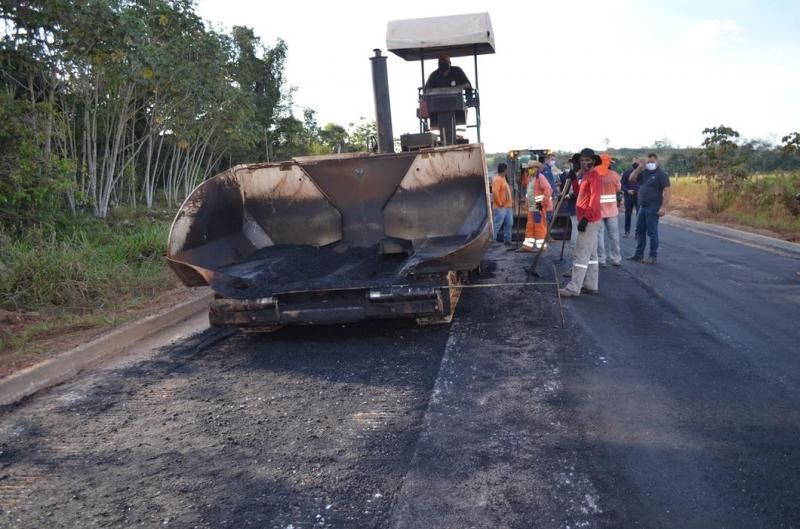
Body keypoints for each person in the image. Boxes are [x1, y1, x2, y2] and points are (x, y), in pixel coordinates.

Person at [560, 148, 603, 297]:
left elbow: (594, 199)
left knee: (581, 254)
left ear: (593, 161)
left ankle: (573, 287)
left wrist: (586, 218)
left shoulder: (594, 177)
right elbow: (580, 194)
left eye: (587, 160)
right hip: (585, 217)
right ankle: (591, 284)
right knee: (591, 255)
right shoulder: (585, 176)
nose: (584, 163)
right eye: (582, 160)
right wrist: (573, 180)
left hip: (589, 219)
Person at [626, 153, 671, 264]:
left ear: (657, 162)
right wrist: (639, 168)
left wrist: (663, 208)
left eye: (653, 162)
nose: (650, 164)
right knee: (640, 230)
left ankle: (652, 256)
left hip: (654, 207)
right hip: (643, 206)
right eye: (649, 162)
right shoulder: (644, 173)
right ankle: (639, 254)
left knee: (652, 232)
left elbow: (668, 191)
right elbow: (631, 179)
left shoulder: (661, 175)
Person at [596, 153, 622, 267]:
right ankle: (616, 259)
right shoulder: (614, 175)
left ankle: (601, 259)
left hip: (598, 210)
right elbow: (618, 189)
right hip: (611, 210)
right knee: (614, 236)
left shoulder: (594, 174)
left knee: (599, 236)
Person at [522, 160, 552, 251]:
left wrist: (542, 203)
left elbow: (548, 190)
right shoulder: (530, 178)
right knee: (530, 225)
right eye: (529, 168)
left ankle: (541, 246)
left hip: (538, 205)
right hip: (532, 206)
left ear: (537, 168)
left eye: (531, 168)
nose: (530, 170)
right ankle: (528, 246)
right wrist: (526, 204)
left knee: (539, 225)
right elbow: (529, 192)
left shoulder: (541, 177)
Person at [560, 153, 581, 278]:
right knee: (575, 242)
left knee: (575, 243)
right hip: (573, 211)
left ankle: (577, 269)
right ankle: (578, 268)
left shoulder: (582, 176)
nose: (571, 165)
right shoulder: (576, 175)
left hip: (579, 213)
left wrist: (572, 181)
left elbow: (578, 193)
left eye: (573, 163)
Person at [491, 163, 513, 245]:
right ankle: (492, 240)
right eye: (506, 169)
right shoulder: (497, 179)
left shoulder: (503, 179)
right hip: (501, 207)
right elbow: (495, 192)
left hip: (508, 206)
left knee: (509, 222)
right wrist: (500, 203)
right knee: (498, 223)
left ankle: (507, 240)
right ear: (504, 170)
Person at [620, 162, 640, 237]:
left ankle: (637, 233)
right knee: (628, 215)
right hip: (628, 197)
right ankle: (627, 232)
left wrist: (640, 191)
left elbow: (644, 184)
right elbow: (622, 184)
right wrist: (627, 190)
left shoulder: (641, 173)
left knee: (639, 215)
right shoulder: (626, 172)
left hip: (639, 197)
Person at [542, 152, 559, 224]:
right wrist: (553, 195)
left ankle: (545, 233)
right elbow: (547, 185)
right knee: (547, 216)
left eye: (554, 160)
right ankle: (545, 234)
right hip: (548, 197)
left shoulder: (549, 169)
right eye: (552, 159)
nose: (553, 161)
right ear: (546, 159)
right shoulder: (545, 169)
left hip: (549, 196)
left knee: (548, 216)